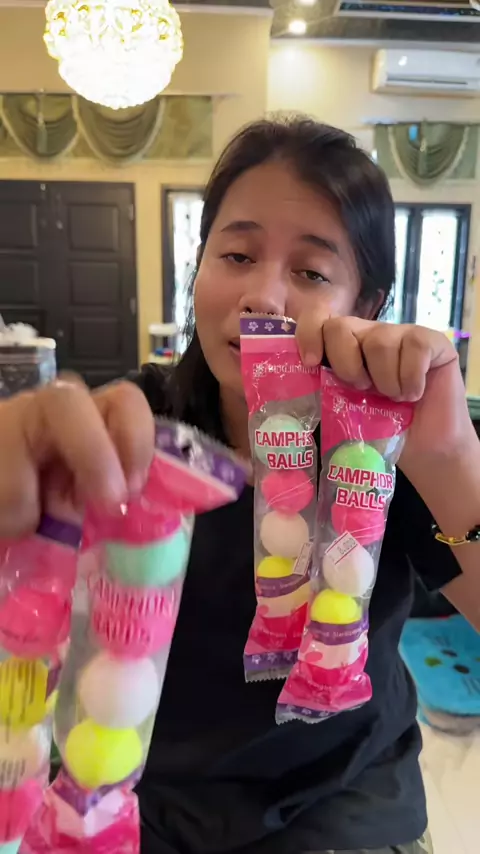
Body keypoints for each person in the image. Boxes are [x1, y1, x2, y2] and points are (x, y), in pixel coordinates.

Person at [0, 117, 479, 854]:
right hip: (139, 795)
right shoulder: (134, 427)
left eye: (312, 272)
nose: (262, 295)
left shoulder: (385, 448)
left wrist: (449, 461)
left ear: (368, 304)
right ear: (198, 269)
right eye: (237, 254)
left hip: (343, 800)